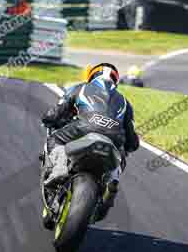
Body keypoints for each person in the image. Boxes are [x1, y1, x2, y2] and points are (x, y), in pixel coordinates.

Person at [41, 63, 139, 222]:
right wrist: (127, 146)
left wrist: (48, 119)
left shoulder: (80, 87)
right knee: (122, 155)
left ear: (91, 76)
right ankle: (111, 185)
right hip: (114, 138)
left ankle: (59, 168)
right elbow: (133, 141)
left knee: (55, 139)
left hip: (84, 127)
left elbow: (55, 113)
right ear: (116, 81)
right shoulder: (126, 102)